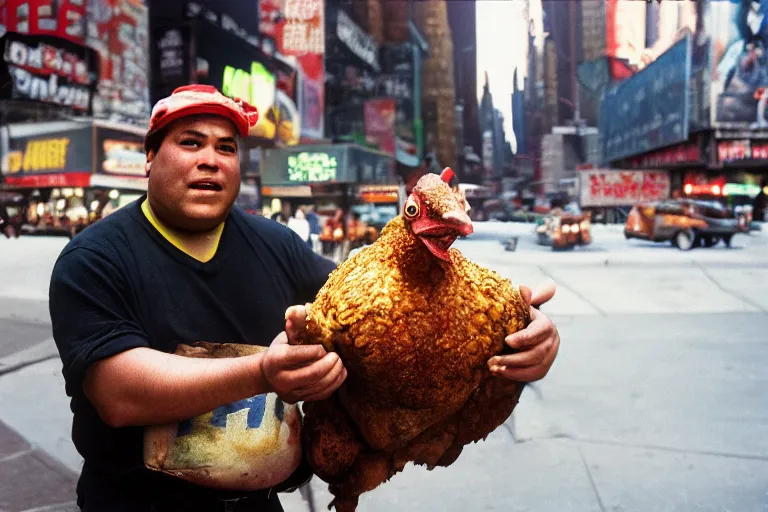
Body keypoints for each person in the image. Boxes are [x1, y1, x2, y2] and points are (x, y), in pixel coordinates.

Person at [49, 84, 561, 511]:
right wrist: (261, 373)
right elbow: (117, 392)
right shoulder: (95, 258)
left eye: (226, 148)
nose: (210, 160)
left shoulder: (275, 244)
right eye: (190, 143)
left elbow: (377, 307)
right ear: (149, 157)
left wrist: (521, 328)